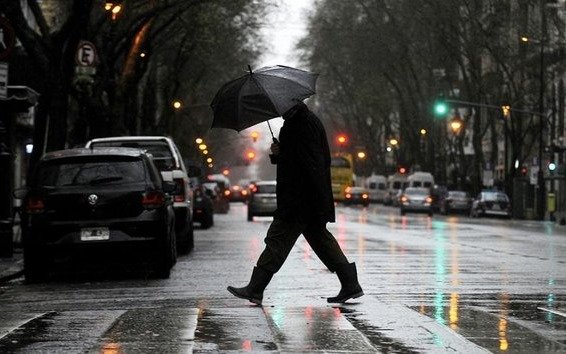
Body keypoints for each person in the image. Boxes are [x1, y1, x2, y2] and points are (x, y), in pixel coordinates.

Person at [227, 100, 363, 305]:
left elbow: (308, 162)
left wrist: (283, 154)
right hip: (308, 198)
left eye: (280, 106)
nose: (278, 110)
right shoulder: (303, 121)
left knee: (277, 240)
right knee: (321, 241)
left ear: (289, 104)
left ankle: (255, 288)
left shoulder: (301, 124)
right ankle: (350, 284)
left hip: (299, 199)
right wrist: (279, 154)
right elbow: (300, 158)